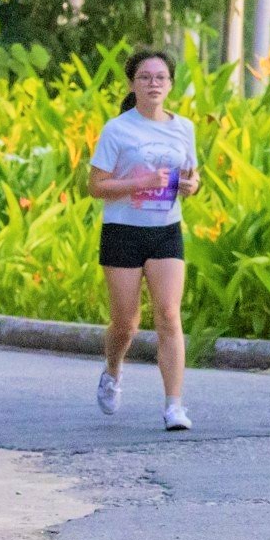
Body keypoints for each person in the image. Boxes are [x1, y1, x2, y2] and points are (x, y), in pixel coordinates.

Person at [88, 48, 201, 431]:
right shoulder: (118, 129)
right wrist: (141, 183)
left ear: (170, 84)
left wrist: (191, 185)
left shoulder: (183, 127)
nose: (153, 84)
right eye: (145, 77)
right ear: (133, 84)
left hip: (166, 229)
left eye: (160, 78)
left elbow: (191, 174)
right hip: (123, 231)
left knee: (169, 315)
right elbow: (95, 186)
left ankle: (174, 406)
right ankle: (113, 370)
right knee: (126, 324)